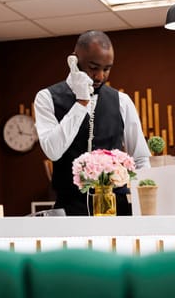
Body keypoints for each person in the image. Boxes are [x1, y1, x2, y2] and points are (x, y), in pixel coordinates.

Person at [34, 30, 150, 216]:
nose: (100, 76)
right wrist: (81, 103)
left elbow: (141, 158)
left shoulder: (122, 101)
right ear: (74, 60)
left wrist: (143, 206)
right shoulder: (47, 98)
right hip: (70, 211)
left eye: (107, 69)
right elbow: (52, 151)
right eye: (94, 67)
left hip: (117, 210)